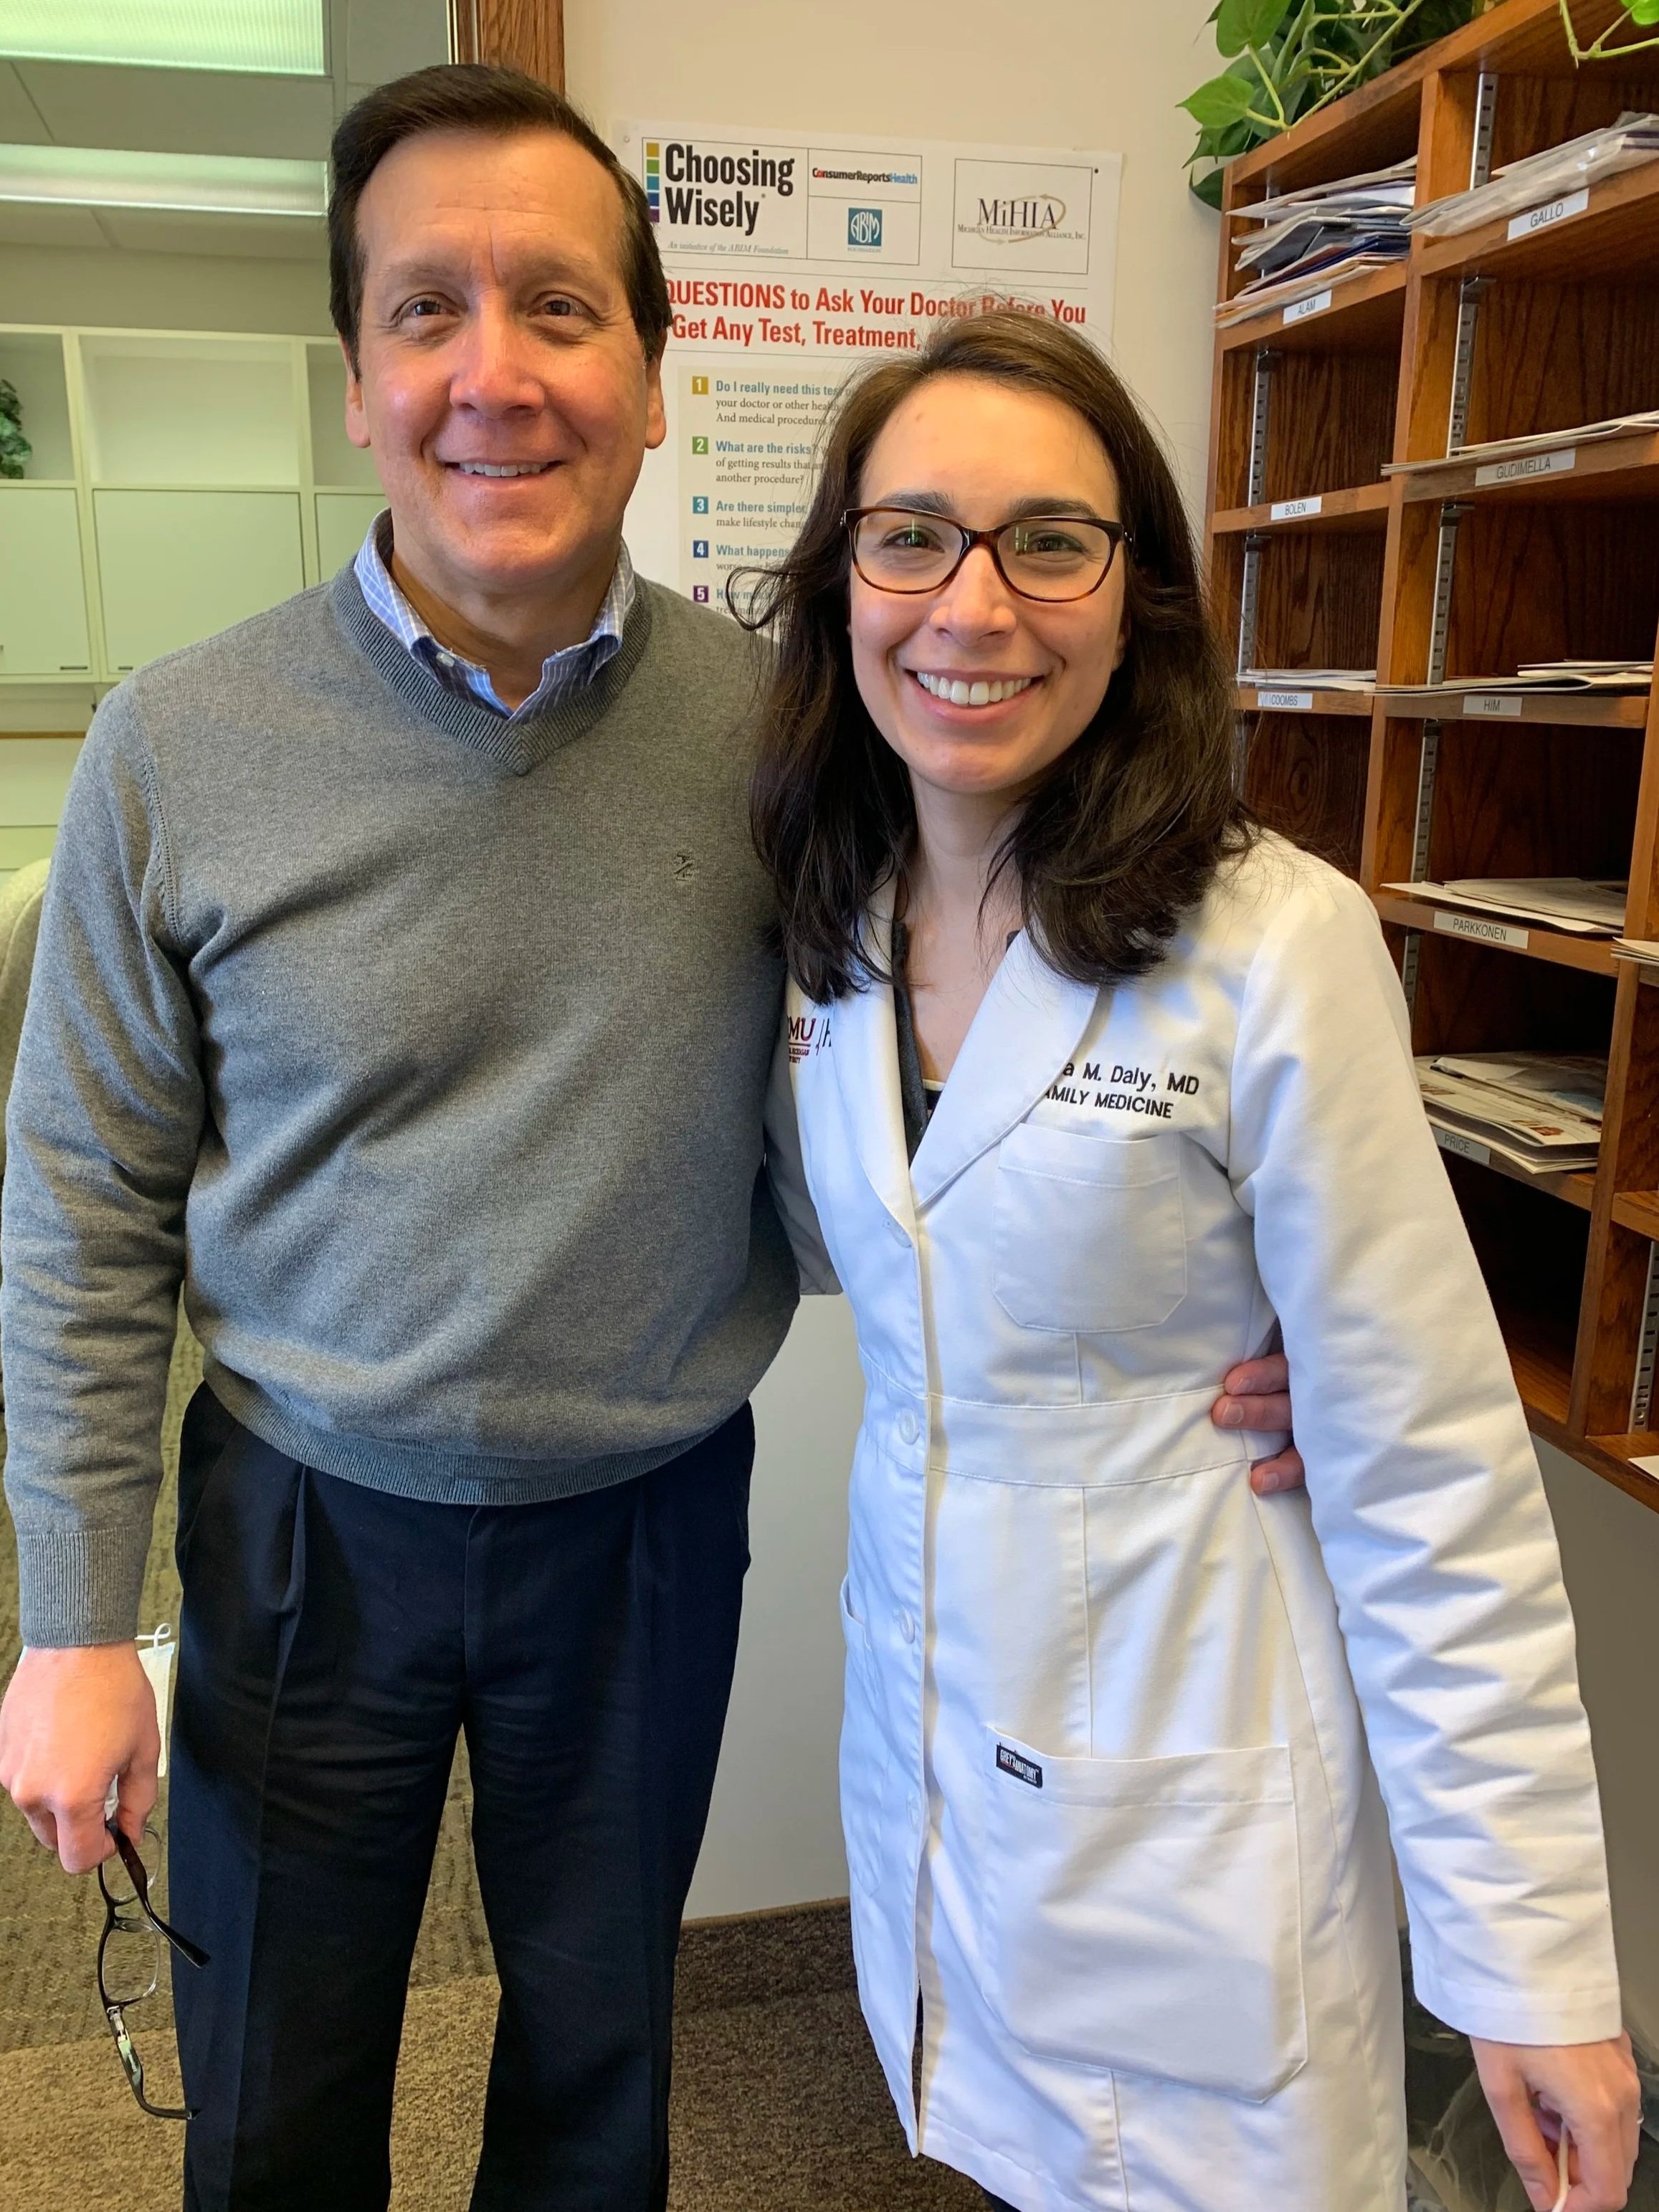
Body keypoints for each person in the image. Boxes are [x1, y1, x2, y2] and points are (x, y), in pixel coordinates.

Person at [0, 67, 1298, 2212]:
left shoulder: (800, 736)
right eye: (426, 313)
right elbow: (77, 1205)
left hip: (646, 1521)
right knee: (271, 2072)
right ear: (356, 381)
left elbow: (941, 1093)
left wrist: (1199, 1327)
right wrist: (63, 1626)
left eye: (556, 309)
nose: (490, 375)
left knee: (603, 2067)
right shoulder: (178, 745)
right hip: (305, 1524)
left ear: (655, 373)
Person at [751, 310, 1642, 2212]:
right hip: (937, 1735)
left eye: (1045, 542)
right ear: (841, 583)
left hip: (1190, 1748)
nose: (969, 604)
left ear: (1134, 594)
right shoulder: (832, 921)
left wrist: (1527, 1964)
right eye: (908, 537)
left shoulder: (1269, 938)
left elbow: (1430, 1475)